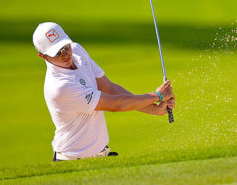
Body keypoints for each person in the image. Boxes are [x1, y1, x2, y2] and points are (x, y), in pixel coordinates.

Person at [32, 22, 175, 161]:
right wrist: (157, 95)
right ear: (43, 56)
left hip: (102, 156)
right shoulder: (60, 87)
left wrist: (154, 110)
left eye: (65, 46)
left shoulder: (77, 51)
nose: (65, 54)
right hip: (72, 160)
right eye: (57, 52)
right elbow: (115, 104)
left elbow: (110, 88)